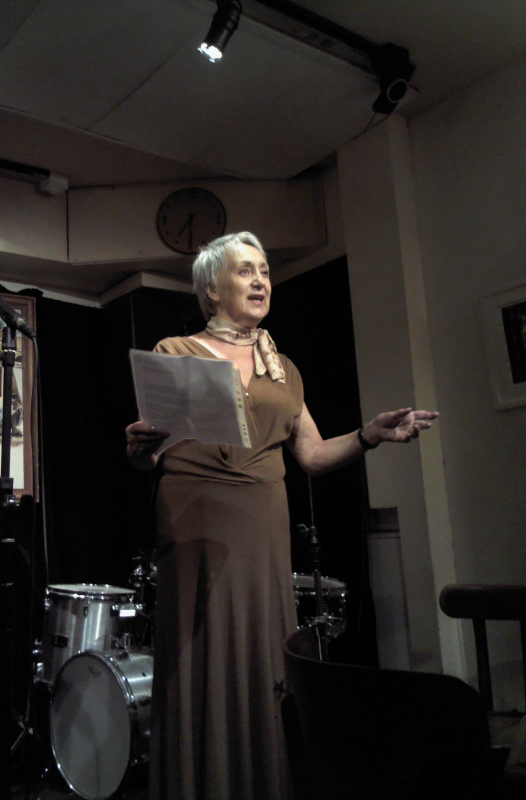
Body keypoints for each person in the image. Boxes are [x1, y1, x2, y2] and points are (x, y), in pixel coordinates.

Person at [125, 232, 438, 800]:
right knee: (198, 654)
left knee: (262, 649)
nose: (261, 281)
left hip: (262, 519)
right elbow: (151, 453)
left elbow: (311, 455)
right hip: (196, 518)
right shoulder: (175, 350)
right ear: (211, 289)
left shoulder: (283, 369)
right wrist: (138, 449)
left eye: (265, 271)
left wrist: (370, 434)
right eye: (245, 270)